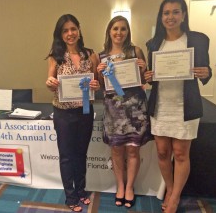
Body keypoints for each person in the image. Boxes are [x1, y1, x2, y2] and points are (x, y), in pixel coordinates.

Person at [144, 0, 212, 212]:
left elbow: (206, 70)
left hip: (185, 105)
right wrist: (148, 76)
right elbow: (151, 77)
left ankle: (174, 198)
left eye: (175, 12)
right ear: (161, 16)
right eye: (166, 13)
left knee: (181, 154)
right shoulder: (153, 43)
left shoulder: (198, 40)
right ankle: (171, 189)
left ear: (183, 15)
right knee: (163, 152)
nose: (170, 17)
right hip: (161, 105)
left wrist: (206, 72)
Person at [45, 14, 100, 212]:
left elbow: (99, 82)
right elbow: (50, 81)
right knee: (67, 155)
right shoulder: (55, 57)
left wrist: (96, 84)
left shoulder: (91, 54)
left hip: (85, 111)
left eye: (73, 29)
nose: (70, 33)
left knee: (81, 154)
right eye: (65, 30)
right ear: (61, 34)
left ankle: (82, 191)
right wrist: (50, 83)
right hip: (63, 114)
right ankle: (71, 196)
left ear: (79, 29)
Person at [96, 15, 152, 208]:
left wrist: (144, 69)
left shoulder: (136, 51)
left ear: (128, 32)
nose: (119, 32)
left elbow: (145, 81)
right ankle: (120, 186)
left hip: (136, 109)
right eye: (115, 29)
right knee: (116, 150)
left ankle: (130, 187)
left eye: (123, 29)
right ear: (109, 32)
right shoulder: (101, 56)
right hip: (114, 111)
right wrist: (100, 73)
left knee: (133, 150)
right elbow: (103, 88)